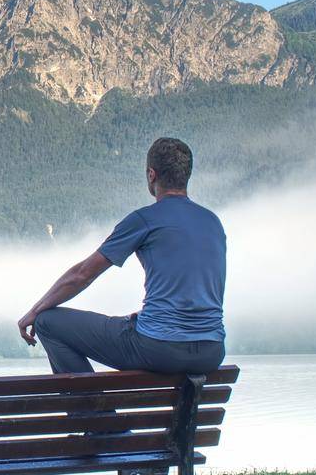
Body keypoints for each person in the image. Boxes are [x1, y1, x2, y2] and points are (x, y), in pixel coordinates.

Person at [16, 137, 226, 377]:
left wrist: (35, 310)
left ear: (151, 175)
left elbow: (82, 274)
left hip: (159, 348)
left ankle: (97, 413)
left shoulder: (145, 220)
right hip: (211, 351)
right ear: (186, 175)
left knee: (47, 322)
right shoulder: (213, 223)